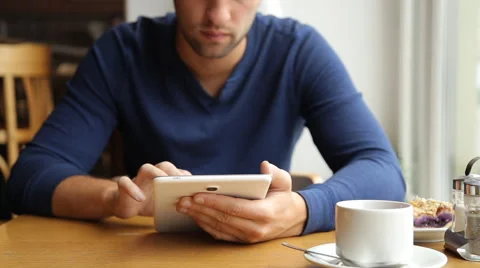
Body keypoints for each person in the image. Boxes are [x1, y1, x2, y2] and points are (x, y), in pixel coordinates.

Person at [7, 0, 406, 243]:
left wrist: (300, 210)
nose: (218, 14)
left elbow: (384, 172)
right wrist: (115, 199)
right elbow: (28, 179)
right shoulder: (122, 52)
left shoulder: (299, 52)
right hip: (150, 252)